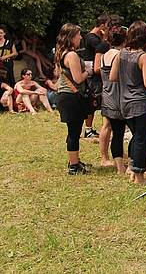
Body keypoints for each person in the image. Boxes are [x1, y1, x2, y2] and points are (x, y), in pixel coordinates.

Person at [109, 21, 146, 185]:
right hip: (142, 104)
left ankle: (133, 170)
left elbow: (112, 77)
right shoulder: (143, 56)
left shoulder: (121, 54)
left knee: (136, 137)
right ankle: (139, 176)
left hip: (125, 104)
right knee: (141, 139)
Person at [54, 23, 93, 175]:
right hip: (72, 96)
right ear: (71, 37)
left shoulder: (61, 53)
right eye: (78, 34)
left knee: (73, 131)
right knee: (74, 132)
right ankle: (74, 166)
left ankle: (74, 160)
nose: (81, 37)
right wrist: (88, 72)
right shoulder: (72, 55)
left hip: (66, 95)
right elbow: (78, 78)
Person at [99, 27, 127, 173]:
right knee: (119, 132)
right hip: (118, 96)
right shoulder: (120, 55)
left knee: (107, 127)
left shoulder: (104, 55)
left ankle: (104, 158)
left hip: (107, 95)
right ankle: (122, 166)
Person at [82, 14, 111, 139]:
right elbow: (102, 48)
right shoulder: (92, 38)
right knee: (93, 101)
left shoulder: (94, 37)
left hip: (95, 73)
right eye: (108, 26)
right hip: (93, 74)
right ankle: (88, 129)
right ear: (103, 25)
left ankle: (90, 129)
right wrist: (105, 37)